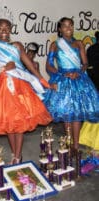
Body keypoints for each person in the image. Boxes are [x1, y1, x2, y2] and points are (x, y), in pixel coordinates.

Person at [0, 6, 53, 165]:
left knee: (19, 123)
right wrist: (2, 69)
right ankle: (14, 153)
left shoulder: (17, 46)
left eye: (7, 27)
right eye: (0, 27)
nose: (4, 30)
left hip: (20, 87)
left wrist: (41, 79)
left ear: (10, 29)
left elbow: (29, 65)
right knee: (10, 124)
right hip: (2, 88)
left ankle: (18, 155)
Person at [43, 17, 99, 152]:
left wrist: (79, 72)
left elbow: (85, 63)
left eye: (71, 25)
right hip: (63, 79)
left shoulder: (79, 44)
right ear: (60, 29)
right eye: (65, 26)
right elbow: (49, 66)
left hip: (78, 79)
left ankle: (76, 145)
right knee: (67, 113)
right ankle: (68, 143)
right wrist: (61, 74)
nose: (69, 28)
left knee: (77, 114)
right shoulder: (55, 45)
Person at [79, 31, 99, 151]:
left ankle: (89, 138)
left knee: (94, 111)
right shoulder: (92, 49)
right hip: (95, 81)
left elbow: (88, 66)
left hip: (94, 82)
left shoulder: (91, 49)